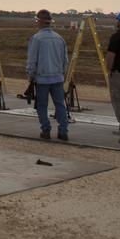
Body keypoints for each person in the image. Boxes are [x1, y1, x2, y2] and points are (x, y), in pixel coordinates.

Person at [26, 9, 70, 141]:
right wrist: (63, 74)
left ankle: (46, 130)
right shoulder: (59, 39)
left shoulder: (36, 38)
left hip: (42, 78)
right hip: (58, 78)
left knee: (42, 105)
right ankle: (63, 132)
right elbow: (65, 61)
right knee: (60, 105)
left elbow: (32, 60)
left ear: (39, 21)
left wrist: (30, 75)